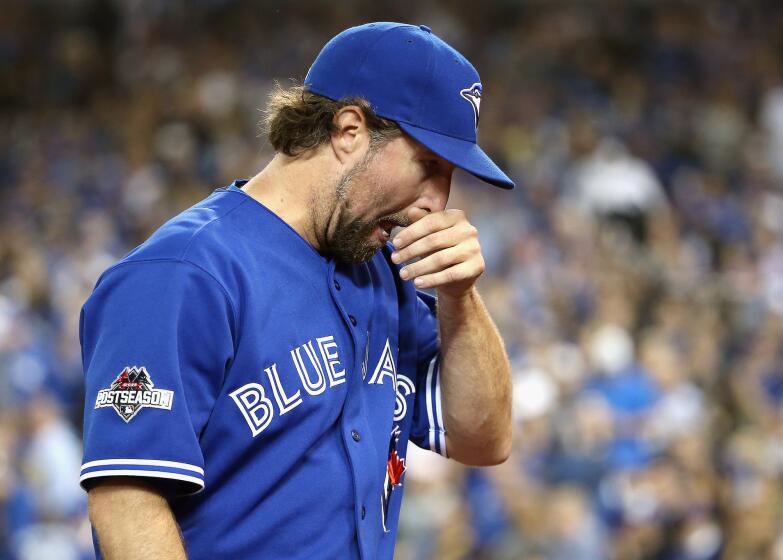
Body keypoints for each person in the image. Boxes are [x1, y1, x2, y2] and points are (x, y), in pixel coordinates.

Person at [79, 22, 514, 559]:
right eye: (429, 167)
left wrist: (460, 299)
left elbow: (483, 439)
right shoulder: (182, 272)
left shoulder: (380, 271)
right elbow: (126, 500)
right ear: (349, 129)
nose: (437, 202)